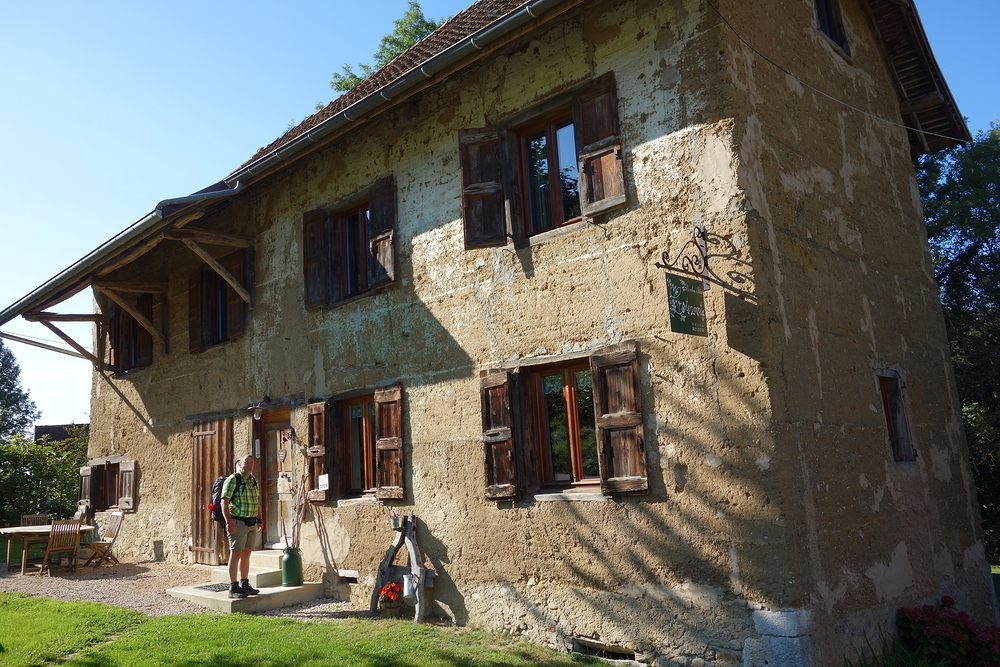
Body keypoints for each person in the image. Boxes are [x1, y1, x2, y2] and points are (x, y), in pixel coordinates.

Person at [221, 455, 263, 599]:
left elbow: (257, 501)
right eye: (246, 462)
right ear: (240, 464)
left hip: (251, 522)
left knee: (247, 553)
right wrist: (229, 522)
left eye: (251, 462)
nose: (249, 465)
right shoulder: (234, 479)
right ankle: (233, 587)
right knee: (236, 553)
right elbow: (224, 502)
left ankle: (244, 584)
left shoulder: (253, 480)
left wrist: (260, 519)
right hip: (237, 522)